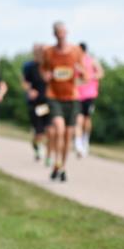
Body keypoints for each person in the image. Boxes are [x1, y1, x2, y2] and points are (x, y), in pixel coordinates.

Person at [42, 22, 85, 182]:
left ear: (67, 33)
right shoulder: (49, 52)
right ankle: (57, 161)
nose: (61, 35)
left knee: (68, 135)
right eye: (58, 33)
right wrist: (46, 76)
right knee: (58, 129)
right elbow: (44, 70)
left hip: (72, 97)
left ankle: (61, 166)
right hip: (54, 96)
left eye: (63, 32)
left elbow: (85, 76)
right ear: (54, 34)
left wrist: (81, 73)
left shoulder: (76, 51)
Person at [22, 44, 51, 163]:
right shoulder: (30, 67)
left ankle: (49, 156)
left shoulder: (50, 67)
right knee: (39, 131)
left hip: (49, 102)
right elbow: (24, 82)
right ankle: (36, 146)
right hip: (36, 103)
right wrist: (30, 91)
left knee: (50, 130)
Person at [74, 42, 104, 157]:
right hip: (77, 95)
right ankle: (78, 144)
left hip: (90, 95)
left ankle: (85, 140)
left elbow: (101, 73)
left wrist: (89, 77)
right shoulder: (74, 63)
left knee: (87, 120)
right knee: (78, 119)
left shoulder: (92, 61)